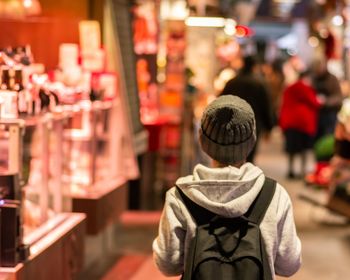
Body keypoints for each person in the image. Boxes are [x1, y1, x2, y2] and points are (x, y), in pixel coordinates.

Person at [153, 95, 302, 278]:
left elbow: (167, 264)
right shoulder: (274, 195)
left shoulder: (180, 197)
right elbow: (289, 264)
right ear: (251, 141)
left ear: (202, 141)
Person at [220, 55, 274, 163]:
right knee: (249, 156)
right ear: (254, 66)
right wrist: (269, 127)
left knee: (233, 154)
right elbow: (265, 106)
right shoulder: (259, 84)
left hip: (233, 123)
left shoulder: (232, 82)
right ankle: (245, 176)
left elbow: (221, 102)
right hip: (253, 124)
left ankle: (234, 176)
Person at [279, 70, 322, 179]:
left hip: (290, 121)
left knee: (291, 149)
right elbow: (315, 103)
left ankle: (291, 170)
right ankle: (303, 171)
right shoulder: (306, 88)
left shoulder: (289, 88)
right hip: (304, 123)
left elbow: (284, 103)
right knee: (304, 148)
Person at [312, 58, 343, 140]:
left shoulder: (332, 79)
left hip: (330, 113)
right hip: (316, 113)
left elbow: (338, 97)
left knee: (328, 137)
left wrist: (326, 101)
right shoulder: (314, 78)